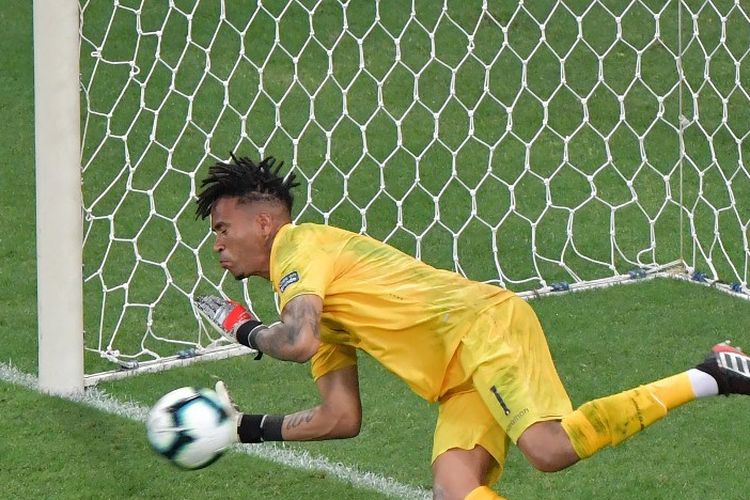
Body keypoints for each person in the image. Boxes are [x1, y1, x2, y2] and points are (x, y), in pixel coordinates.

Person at [193, 154, 750, 500]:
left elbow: (296, 341)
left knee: (548, 448)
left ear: (264, 221)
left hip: (482, 326)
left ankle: (712, 373)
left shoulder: (300, 245)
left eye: (223, 227)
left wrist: (242, 329)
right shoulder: (307, 296)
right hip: (459, 378)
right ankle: (715, 372)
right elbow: (341, 417)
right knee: (454, 491)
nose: (217, 242)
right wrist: (246, 429)